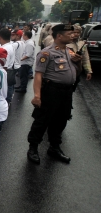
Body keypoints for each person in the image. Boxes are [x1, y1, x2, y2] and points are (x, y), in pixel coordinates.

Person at [26, 24, 81, 165]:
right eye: (69, 34)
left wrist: (78, 62)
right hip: (51, 92)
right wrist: (37, 96)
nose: (73, 36)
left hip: (66, 92)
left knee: (61, 120)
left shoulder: (69, 52)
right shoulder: (46, 53)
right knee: (42, 120)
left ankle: (54, 147)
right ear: (59, 36)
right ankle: (33, 148)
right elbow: (39, 75)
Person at [0, 28, 16, 103]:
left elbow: (4, 65)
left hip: (5, 71)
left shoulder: (3, 49)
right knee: (9, 88)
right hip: (10, 70)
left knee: (4, 90)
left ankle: (6, 102)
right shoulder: (11, 46)